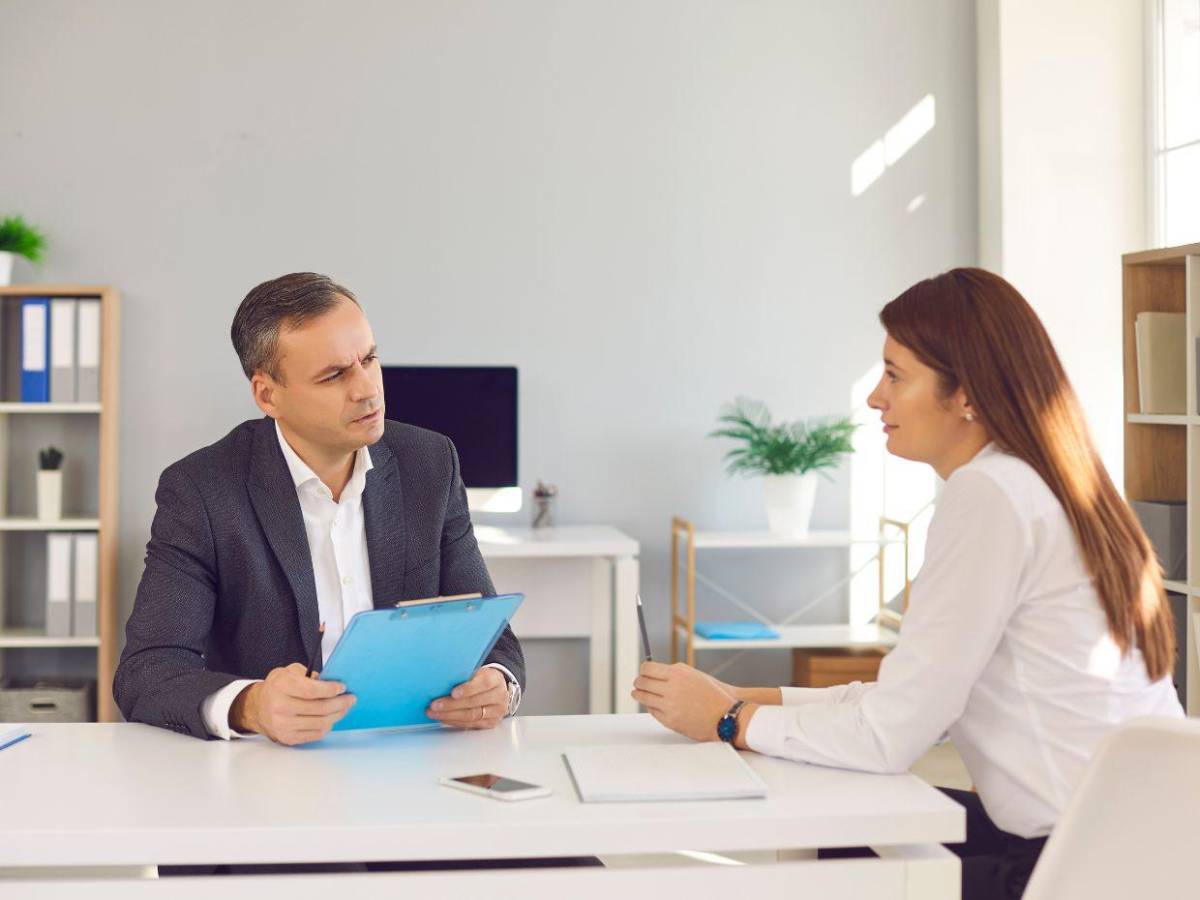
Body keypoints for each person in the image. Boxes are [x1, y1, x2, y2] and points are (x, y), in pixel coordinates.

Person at [632, 268, 1184, 900]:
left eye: (895, 375)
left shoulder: (990, 495)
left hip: (1074, 867)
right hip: (1144, 846)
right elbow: (921, 697)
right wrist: (744, 695)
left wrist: (729, 720)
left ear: (967, 395)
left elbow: (892, 735)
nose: (874, 397)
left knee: (842, 825)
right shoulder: (1044, 481)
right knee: (843, 815)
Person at [115, 272, 525, 745]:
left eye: (369, 359)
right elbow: (147, 672)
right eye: (334, 375)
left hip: (413, 755)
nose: (367, 390)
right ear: (268, 394)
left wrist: (498, 685)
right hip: (270, 771)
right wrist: (251, 705)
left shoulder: (429, 463)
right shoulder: (202, 490)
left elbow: (494, 637)